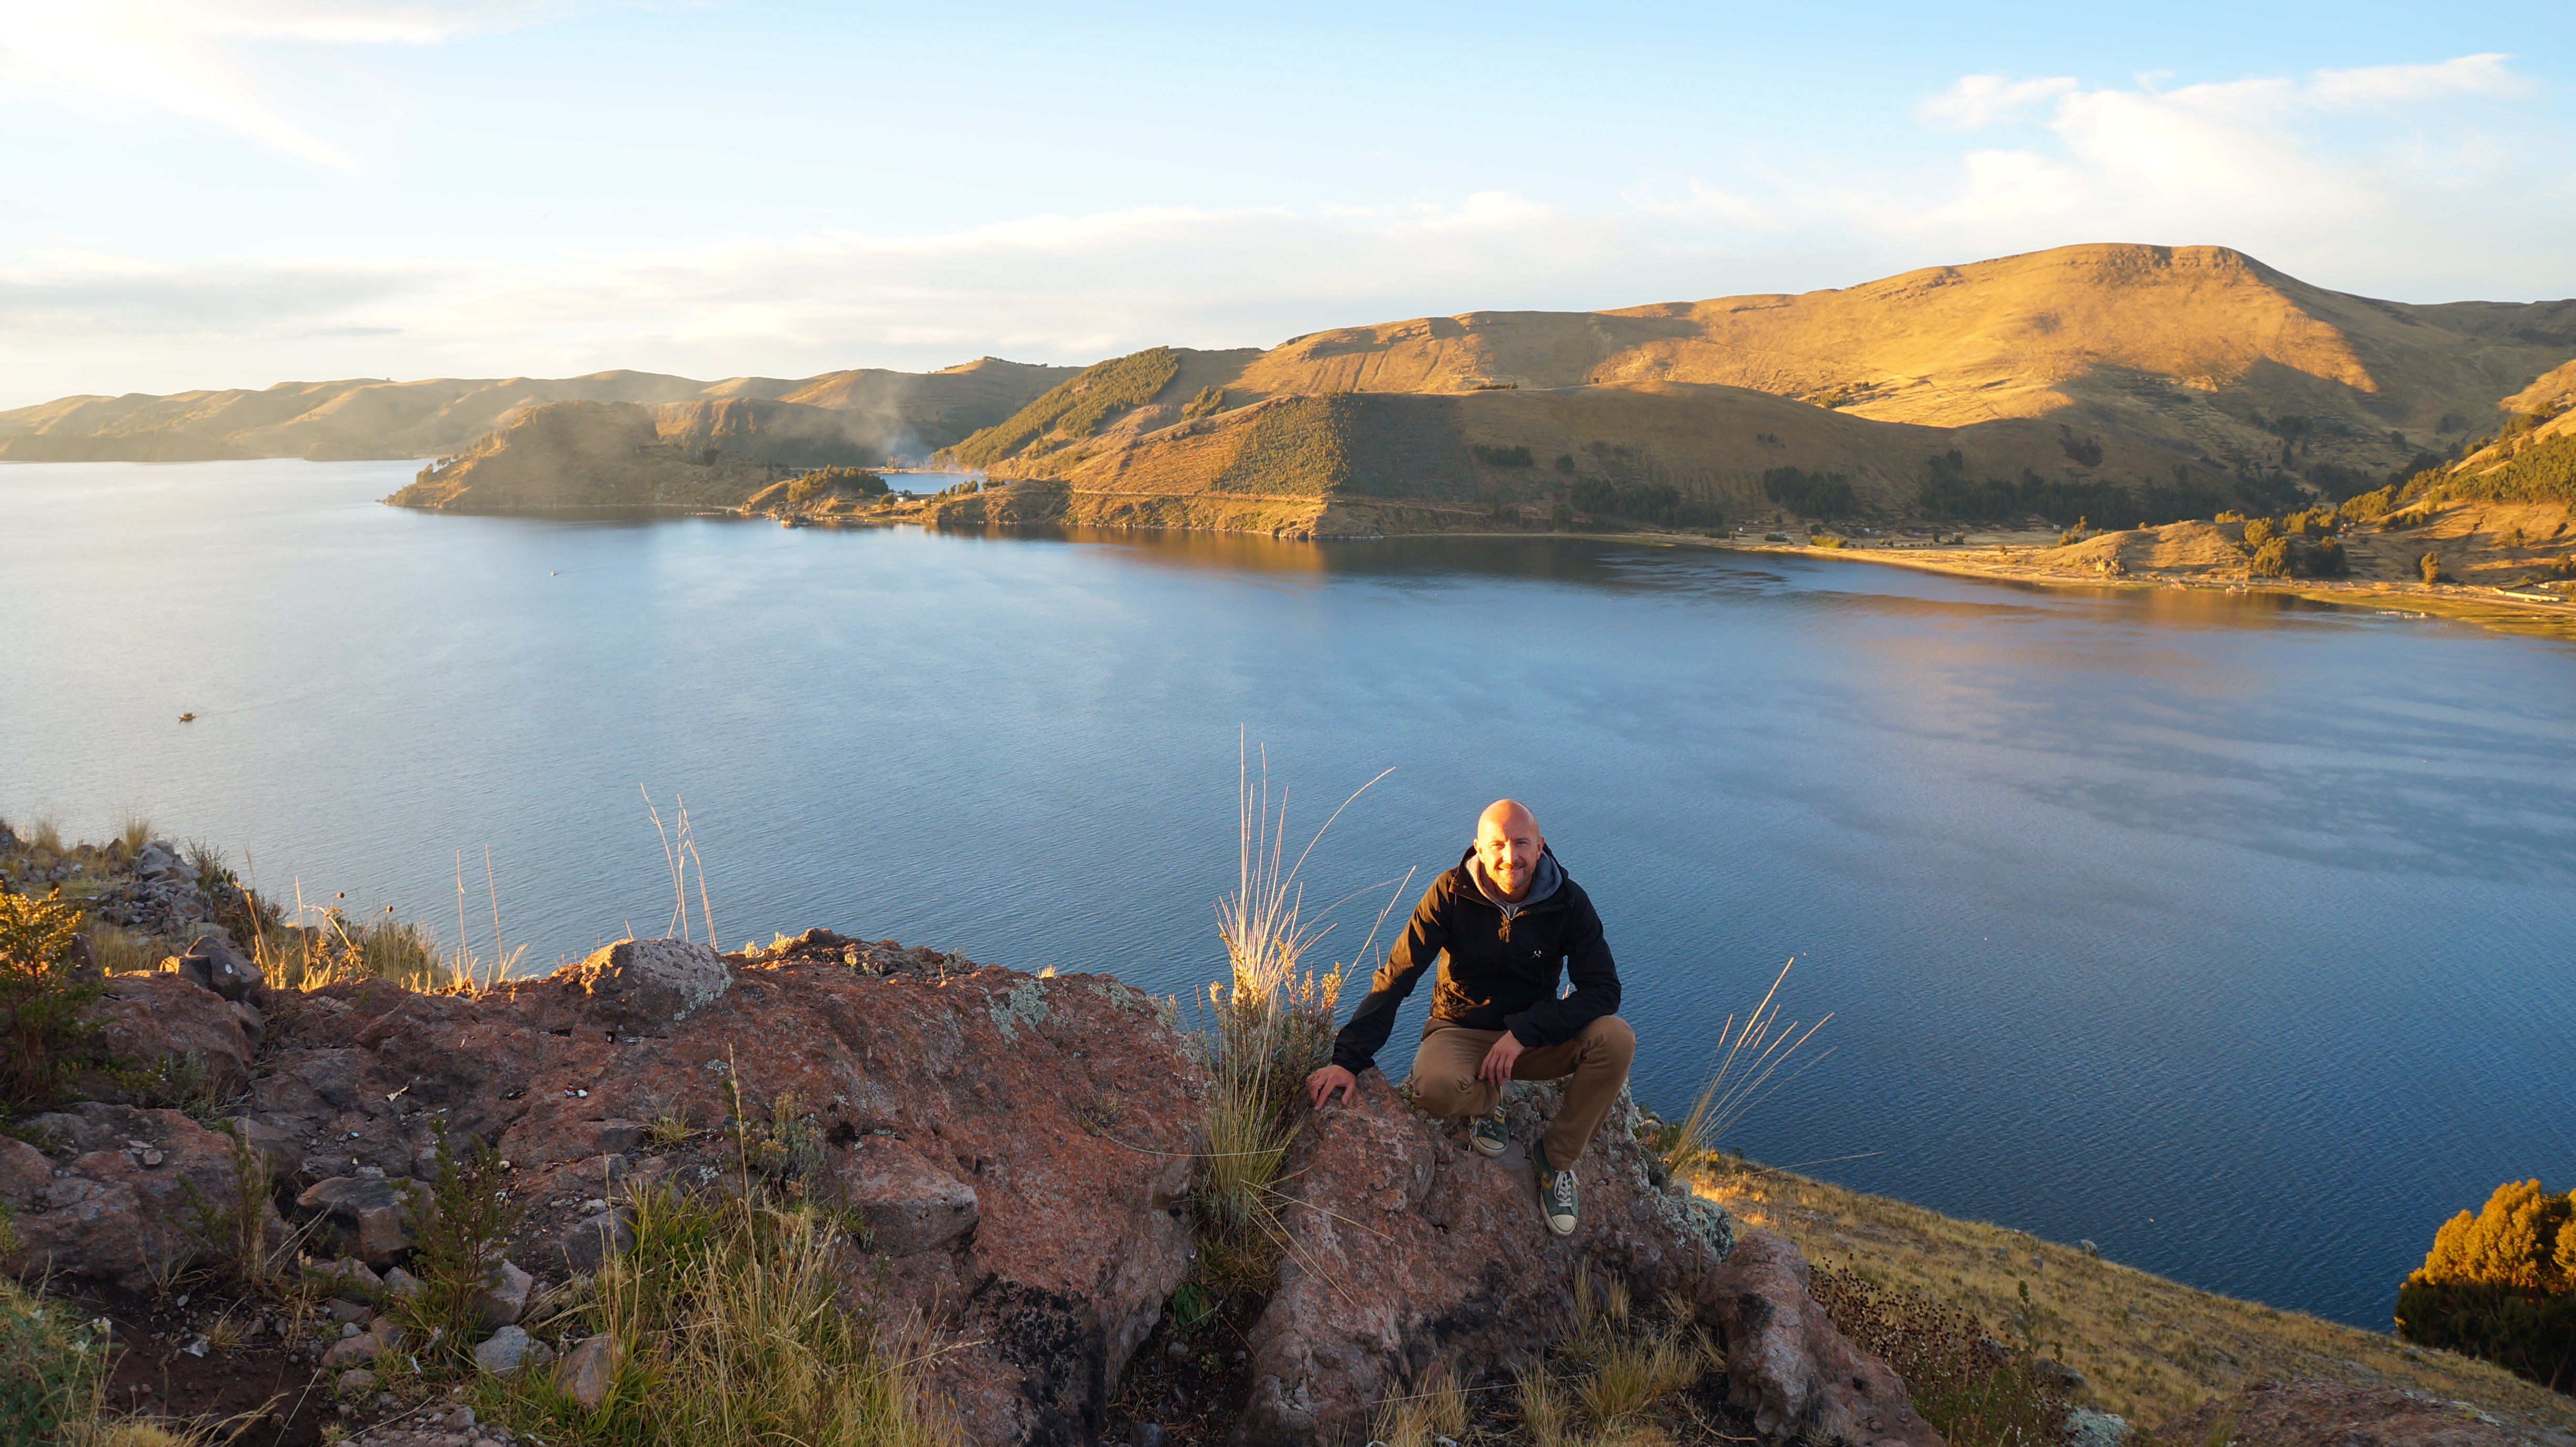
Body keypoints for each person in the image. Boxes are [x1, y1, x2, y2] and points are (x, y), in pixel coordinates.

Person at [1305, 799, 1632, 1236]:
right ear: (1478, 848)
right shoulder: (1450, 893)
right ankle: (1486, 1103)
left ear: (1540, 847)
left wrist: (1524, 1031)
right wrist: (1347, 1060)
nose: (1510, 856)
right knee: (1434, 1088)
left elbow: (1604, 990)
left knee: (1616, 1038)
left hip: (1530, 1040)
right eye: (1498, 844)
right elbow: (1398, 976)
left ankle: (1555, 1160)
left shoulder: (1568, 902)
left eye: (1521, 843)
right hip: (1461, 1029)